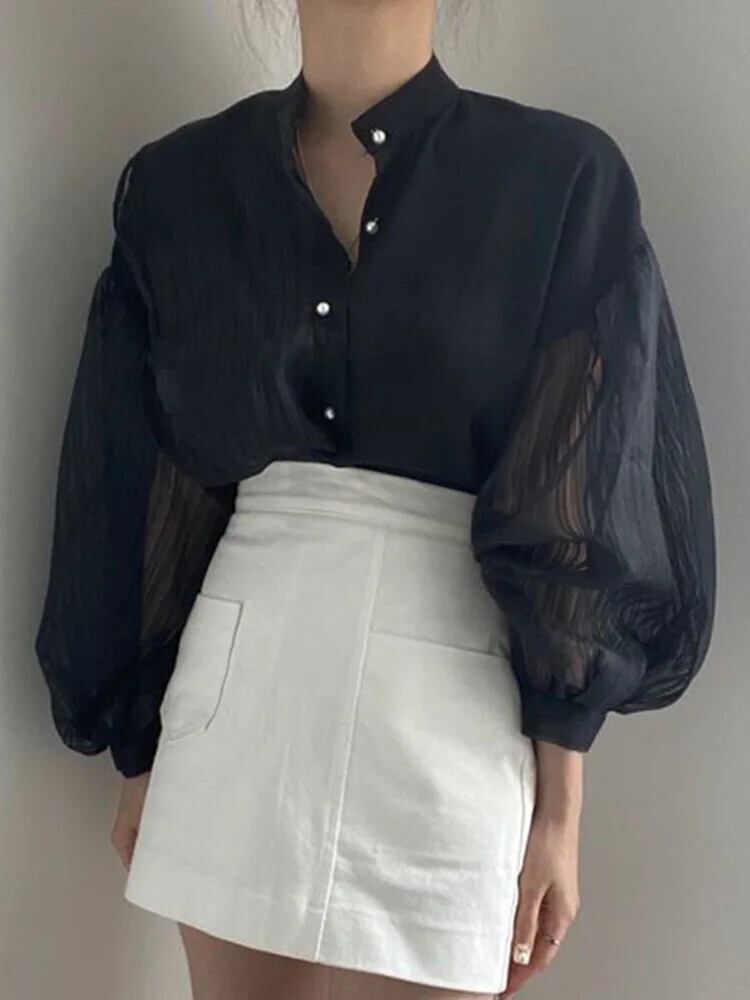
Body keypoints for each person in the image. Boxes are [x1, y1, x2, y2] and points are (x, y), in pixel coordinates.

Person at [33, 1, 716, 998]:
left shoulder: (559, 179)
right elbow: (143, 476)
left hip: (454, 713)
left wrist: (559, 805)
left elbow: (583, 499)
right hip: (238, 710)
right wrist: (141, 752)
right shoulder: (181, 185)